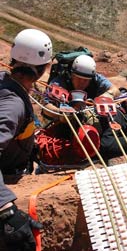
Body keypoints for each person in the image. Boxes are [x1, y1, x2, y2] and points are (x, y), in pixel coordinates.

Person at [0, 28, 53, 250]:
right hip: (10, 175)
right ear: (41, 70)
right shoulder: (14, 105)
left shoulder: (6, 82)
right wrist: (5, 209)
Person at [42, 54, 127, 162]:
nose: (82, 83)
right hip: (68, 121)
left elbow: (115, 90)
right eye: (78, 79)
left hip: (93, 117)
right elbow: (46, 106)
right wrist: (60, 113)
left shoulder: (96, 79)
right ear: (72, 74)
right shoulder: (59, 82)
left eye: (86, 80)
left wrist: (108, 95)